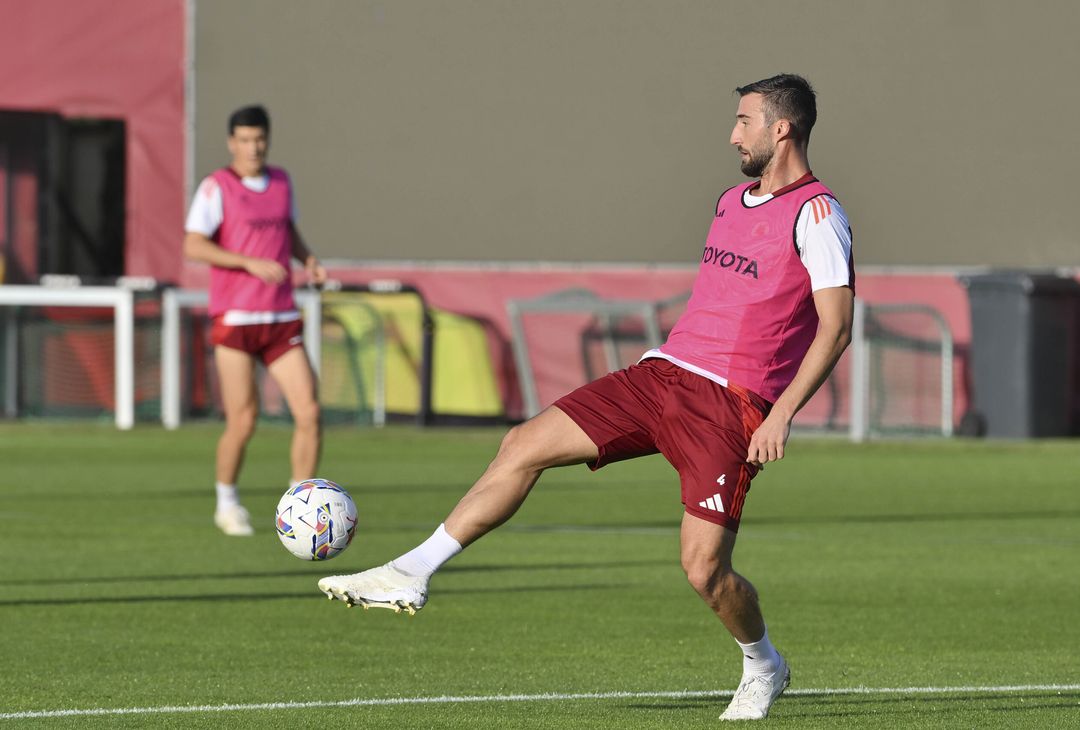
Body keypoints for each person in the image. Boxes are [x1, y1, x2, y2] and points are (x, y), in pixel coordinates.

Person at [319, 74, 854, 721]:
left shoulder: (818, 215)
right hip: (661, 374)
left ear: (782, 129)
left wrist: (783, 412)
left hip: (729, 405)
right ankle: (412, 571)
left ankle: (763, 664)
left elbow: (837, 325)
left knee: (703, 572)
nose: (731, 133)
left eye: (744, 121)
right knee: (522, 445)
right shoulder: (728, 201)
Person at [184, 105, 327, 537]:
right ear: (232, 143)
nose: (253, 147)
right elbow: (194, 245)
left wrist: (309, 259)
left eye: (259, 139)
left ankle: (300, 508)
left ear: (268, 139)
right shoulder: (217, 187)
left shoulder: (282, 181)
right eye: (244, 140)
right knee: (243, 420)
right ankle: (227, 502)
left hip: (281, 318)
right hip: (237, 320)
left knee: (310, 413)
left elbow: (289, 231)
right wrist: (248, 262)